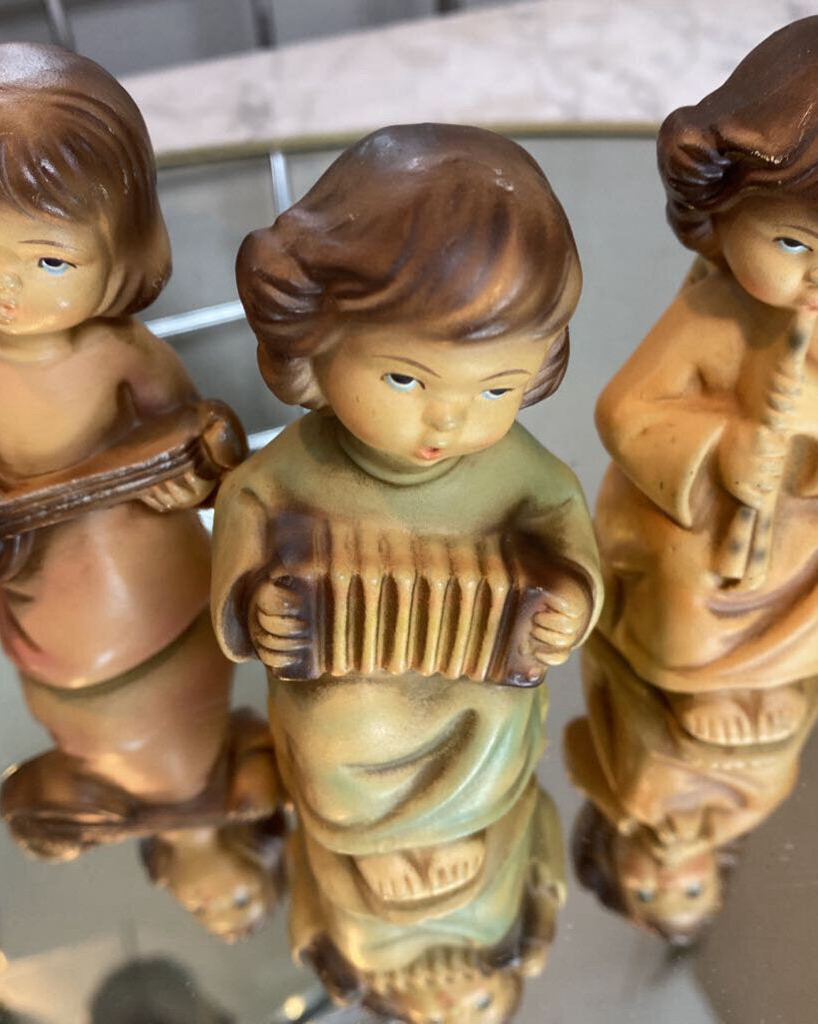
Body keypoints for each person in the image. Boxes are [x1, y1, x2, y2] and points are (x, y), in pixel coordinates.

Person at [212, 123, 601, 907]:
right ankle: (372, 842)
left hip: (479, 684)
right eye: (405, 379)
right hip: (344, 690)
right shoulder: (292, 471)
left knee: (500, 710)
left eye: (496, 388)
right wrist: (256, 608)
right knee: (338, 728)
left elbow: (567, 535)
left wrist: (571, 604)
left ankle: (462, 825)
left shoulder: (521, 473)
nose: (448, 419)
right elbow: (243, 516)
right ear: (316, 344)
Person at [0, 43, 243, 859]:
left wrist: (193, 482)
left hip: (169, 603)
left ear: (121, 250)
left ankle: (185, 801)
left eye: (49, 259)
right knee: (85, 724)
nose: (4, 285)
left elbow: (200, 443)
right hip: (48, 628)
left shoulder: (123, 354)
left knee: (185, 742)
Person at [594, 14, 818, 746]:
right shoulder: (708, 316)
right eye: (794, 243)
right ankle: (693, 677)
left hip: (808, 520)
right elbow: (626, 412)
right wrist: (722, 446)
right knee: (683, 555)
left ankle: (776, 671)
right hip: (702, 515)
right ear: (723, 211)